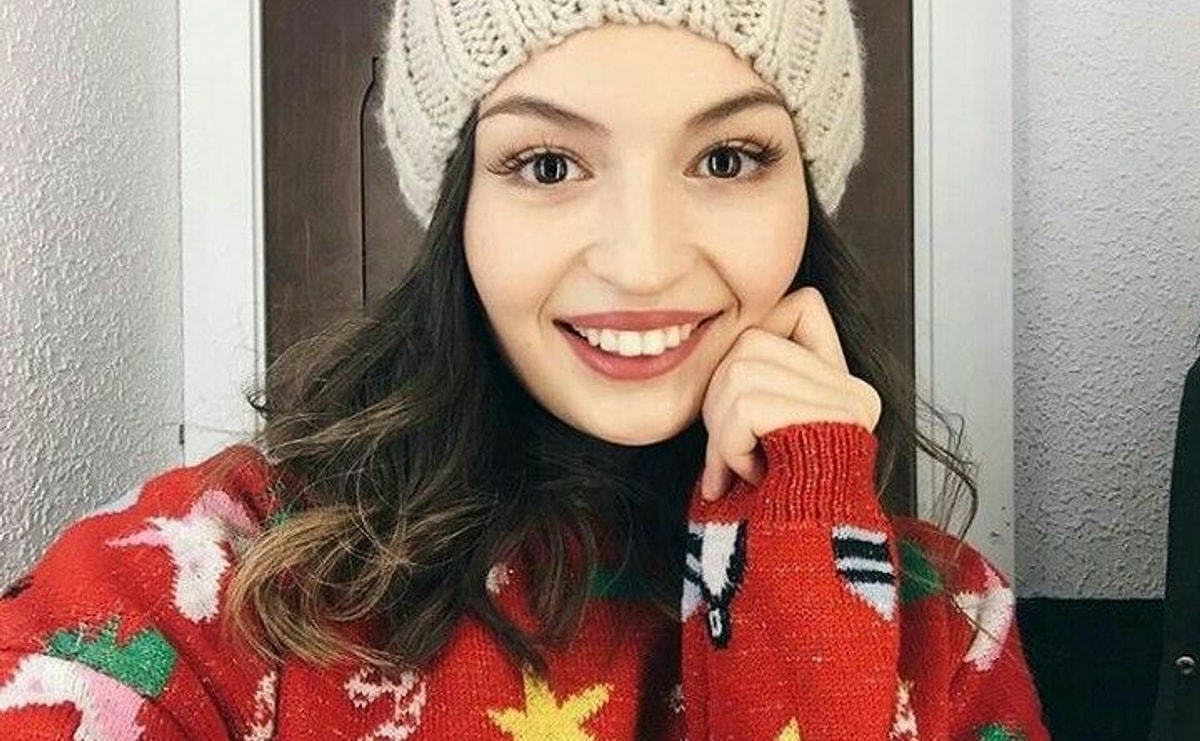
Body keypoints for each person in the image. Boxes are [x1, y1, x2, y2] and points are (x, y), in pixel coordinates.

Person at [0, 1, 1051, 738]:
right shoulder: (228, 573)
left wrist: (802, 558)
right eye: (548, 164)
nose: (642, 263)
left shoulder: (947, 625)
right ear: (460, 204)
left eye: (726, 160)